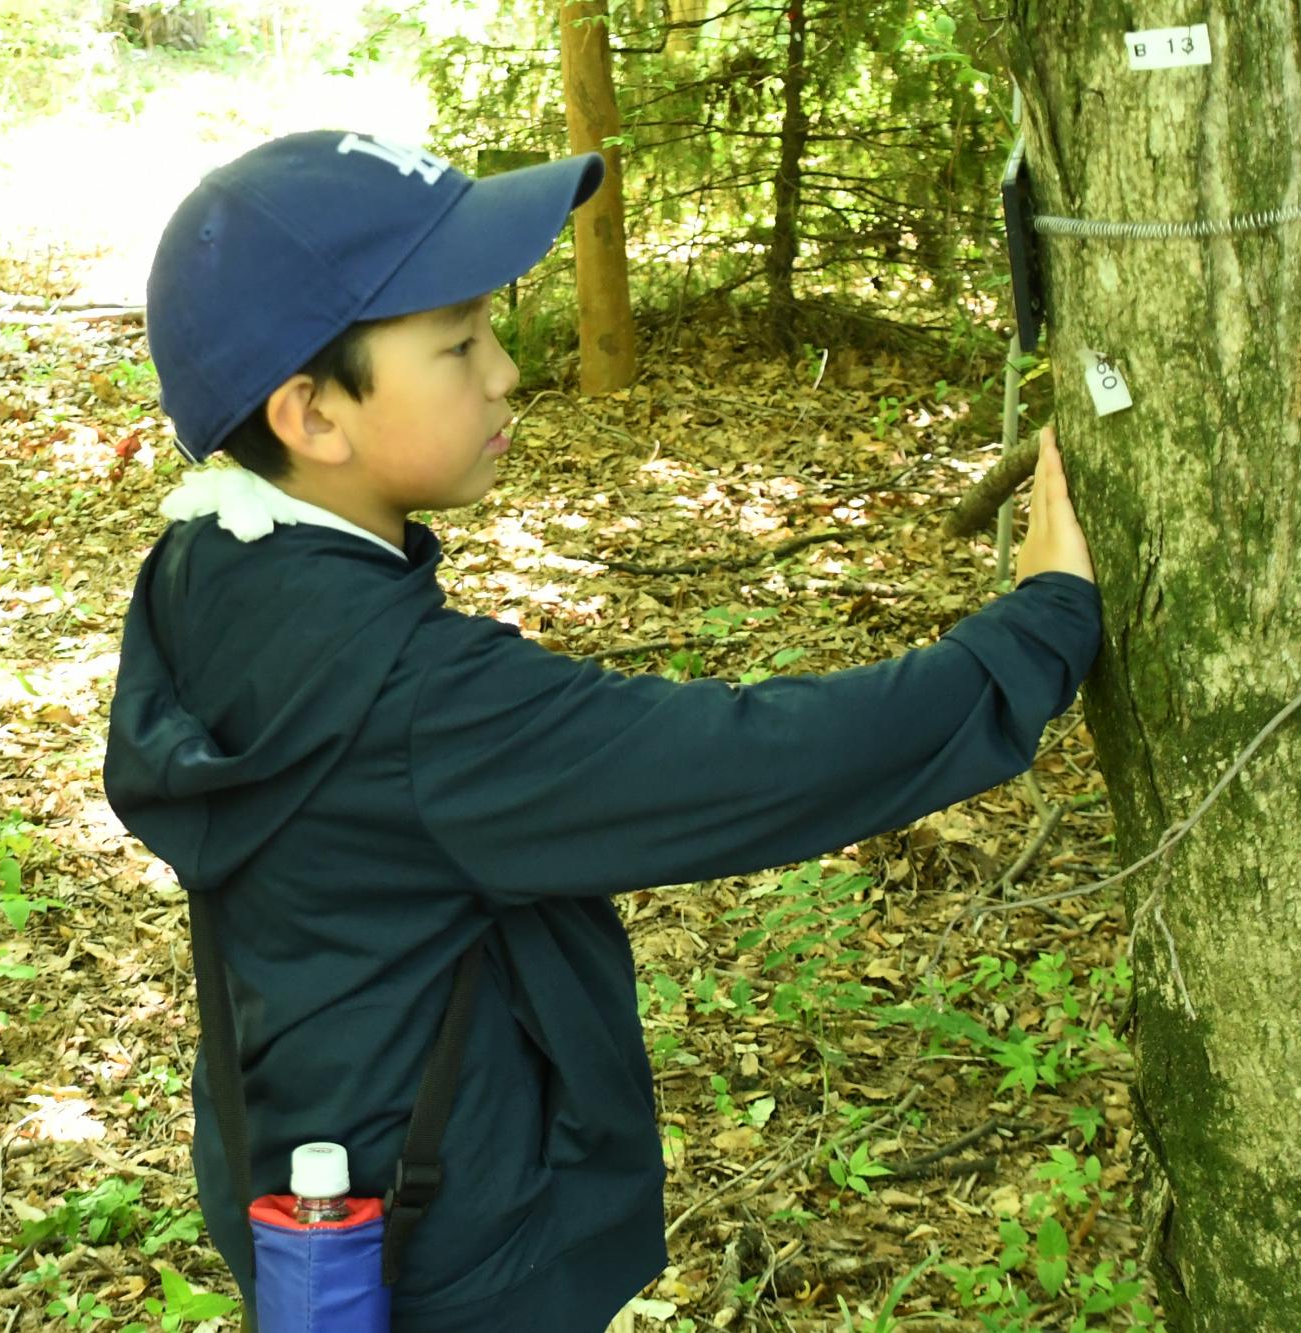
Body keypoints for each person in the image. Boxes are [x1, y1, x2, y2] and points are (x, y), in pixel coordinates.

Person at [102, 130, 1100, 1332]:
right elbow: (752, 763)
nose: (507, 372)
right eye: (459, 344)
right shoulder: (418, 706)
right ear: (312, 414)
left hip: (313, 1169)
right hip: (455, 1247)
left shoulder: (205, 564)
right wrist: (1035, 632)